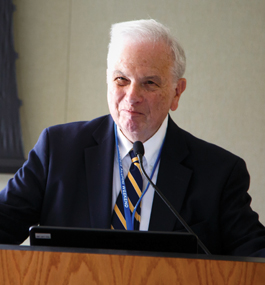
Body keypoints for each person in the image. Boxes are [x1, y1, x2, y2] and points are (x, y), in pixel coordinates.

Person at [0, 19, 265, 256]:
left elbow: (256, 256)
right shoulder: (57, 150)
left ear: (176, 92)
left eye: (149, 83)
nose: (132, 96)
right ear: (107, 80)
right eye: (121, 80)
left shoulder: (218, 173)